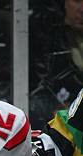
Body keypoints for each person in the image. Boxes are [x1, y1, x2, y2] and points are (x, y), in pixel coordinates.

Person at [30, 0, 83, 128]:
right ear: (64, 2)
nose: (82, 9)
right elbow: (34, 86)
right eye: (76, 1)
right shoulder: (43, 36)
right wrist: (53, 108)